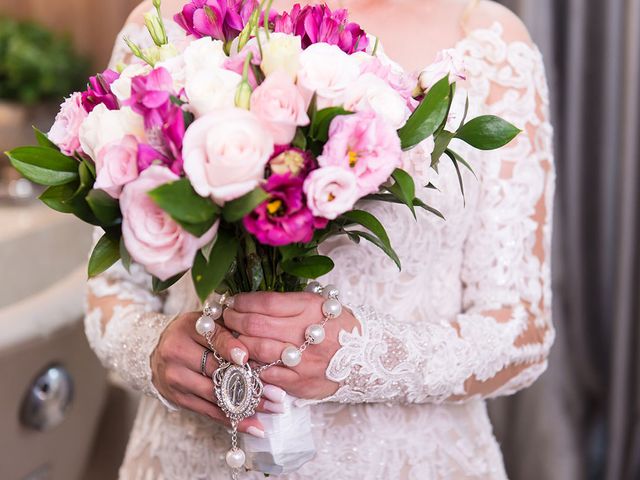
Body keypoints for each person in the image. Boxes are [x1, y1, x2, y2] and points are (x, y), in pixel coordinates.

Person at [85, 0, 555, 478]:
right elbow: (109, 292)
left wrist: (357, 357)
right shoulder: (165, 26)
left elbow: (523, 330)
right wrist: (155, 352)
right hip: (189, 457)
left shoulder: (488, 40)